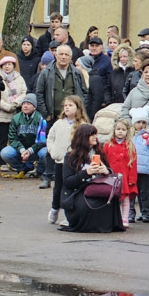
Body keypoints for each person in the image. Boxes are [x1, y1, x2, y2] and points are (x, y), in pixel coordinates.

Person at [35, 44, 87, 189]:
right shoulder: (46, 72)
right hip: (53, 116)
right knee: (53, 146)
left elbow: (84, 93)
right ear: (55, 55)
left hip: (74, 118)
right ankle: (47, 176)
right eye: (61, 54)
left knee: (74, 146)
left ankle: (71, 176)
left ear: (71, 57)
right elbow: (39, 93)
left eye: (66, 55)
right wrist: (46, 114)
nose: (63, 57)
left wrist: (81, 112)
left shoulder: (77, 73)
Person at [60, 124, 124, 233]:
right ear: (83, 137)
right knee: (88, 205)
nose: (95, 137)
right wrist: (86, 173)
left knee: (108, 199)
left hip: (97, 187)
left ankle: (106, 225)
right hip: (78, 191)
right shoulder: (70, 157)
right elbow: (68, 182)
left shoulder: (100, 153)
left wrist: (106, 171)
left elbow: (108, 174)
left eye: (95, 134)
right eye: (92, 135)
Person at [45, 95, 89, 224]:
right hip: (60, 162)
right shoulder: (58, 123)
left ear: (78, 108)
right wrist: (53, 151)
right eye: (65, 105)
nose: (67, 108)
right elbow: (50, 137)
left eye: (70, 105)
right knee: (58, 187)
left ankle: (69, 214)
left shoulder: (82, 125)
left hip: (75, 163)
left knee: (71, 188)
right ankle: (55, 208)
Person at [101, 119, 137, 228]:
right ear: (114, 130)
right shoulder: (108, 145)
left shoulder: (130, 146)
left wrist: (132, 180)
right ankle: (110, 218)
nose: (120, 132)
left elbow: (133, 164)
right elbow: (104, 160)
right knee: (111, 198)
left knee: (125, 199)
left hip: (124, 178)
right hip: (111, 177)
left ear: (127, 131)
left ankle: (125, 218)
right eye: (118, 129)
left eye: (123, 129)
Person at [0, 95, 48, 176]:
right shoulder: (15, 118)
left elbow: (43, 140)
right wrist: (22, 150)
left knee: (45, 153)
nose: (25, 106)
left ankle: (40, 170)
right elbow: (12, 138)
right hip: (21, 150)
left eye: (29, 104)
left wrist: (30, 150)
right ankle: (23, 168)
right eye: (23, 104)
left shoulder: (41, 118)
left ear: (34, 107)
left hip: (37, 149)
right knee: (5, 153)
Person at [130, 108, 149, 222]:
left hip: (146, 170)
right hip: (132, 170)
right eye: (138, 122)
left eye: (143, 122)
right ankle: (130, 213)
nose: (141, 125)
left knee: (145, 193)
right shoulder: (130, 137)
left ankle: (146, 213)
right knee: (132, 192)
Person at [0, 56, 27, 160]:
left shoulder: (19, 78)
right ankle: (2, 162)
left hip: (16, 112)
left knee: (16, 138)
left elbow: (24, 92)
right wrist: (7, 106)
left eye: (9, 64)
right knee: (2, 138)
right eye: (4, 65)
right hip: (2, 114)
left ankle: (16, 160)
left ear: (13, 66)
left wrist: (15, 103)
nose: (7, 67)